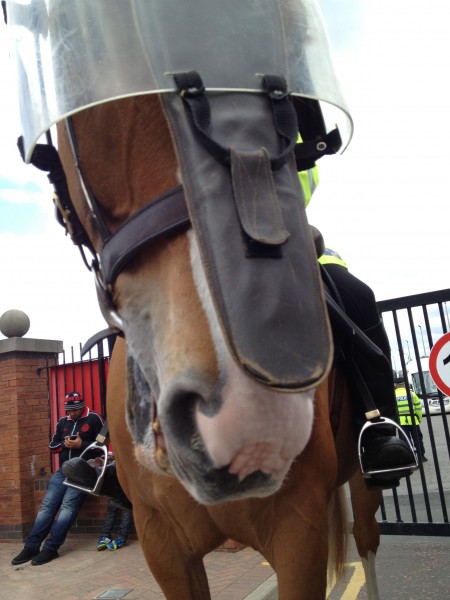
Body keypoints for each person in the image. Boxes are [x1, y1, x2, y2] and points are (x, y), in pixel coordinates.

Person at [11, 392, 104, 566]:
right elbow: (52, 445)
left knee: (68, 507)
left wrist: (81, 445)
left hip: (83, 470)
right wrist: (64, 444)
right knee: (47, 506)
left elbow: (103, 445)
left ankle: (51, 548)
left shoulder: (94, 419)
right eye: (70, 410)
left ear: (82, 406)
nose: (73, 413)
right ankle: (31, 546)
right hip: (63, 470)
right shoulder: (63, 421)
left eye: (75, 410)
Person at [395, 378, 427, 461]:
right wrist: (418, 418)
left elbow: (392, 409)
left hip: (401, 421)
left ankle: (410, 458)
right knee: (418, 438)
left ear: (395, 385)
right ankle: (421, 456)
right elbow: (418, 407)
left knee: (405, 439)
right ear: (404, 384)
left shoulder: (393, 395)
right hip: (413, 420)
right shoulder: (411, 394)